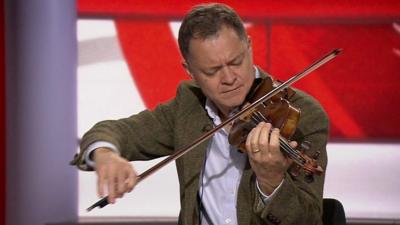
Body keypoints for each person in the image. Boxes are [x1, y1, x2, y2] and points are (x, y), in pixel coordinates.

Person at [71, 3, 329, 225]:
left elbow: (308, 220)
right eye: (212, 71)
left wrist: (272, 182)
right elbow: (112, 131)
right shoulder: (189, 106)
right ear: (189, 70)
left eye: (236, 62)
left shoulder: (302, 114)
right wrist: (105, 155)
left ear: (249, 47)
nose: (229, 78)